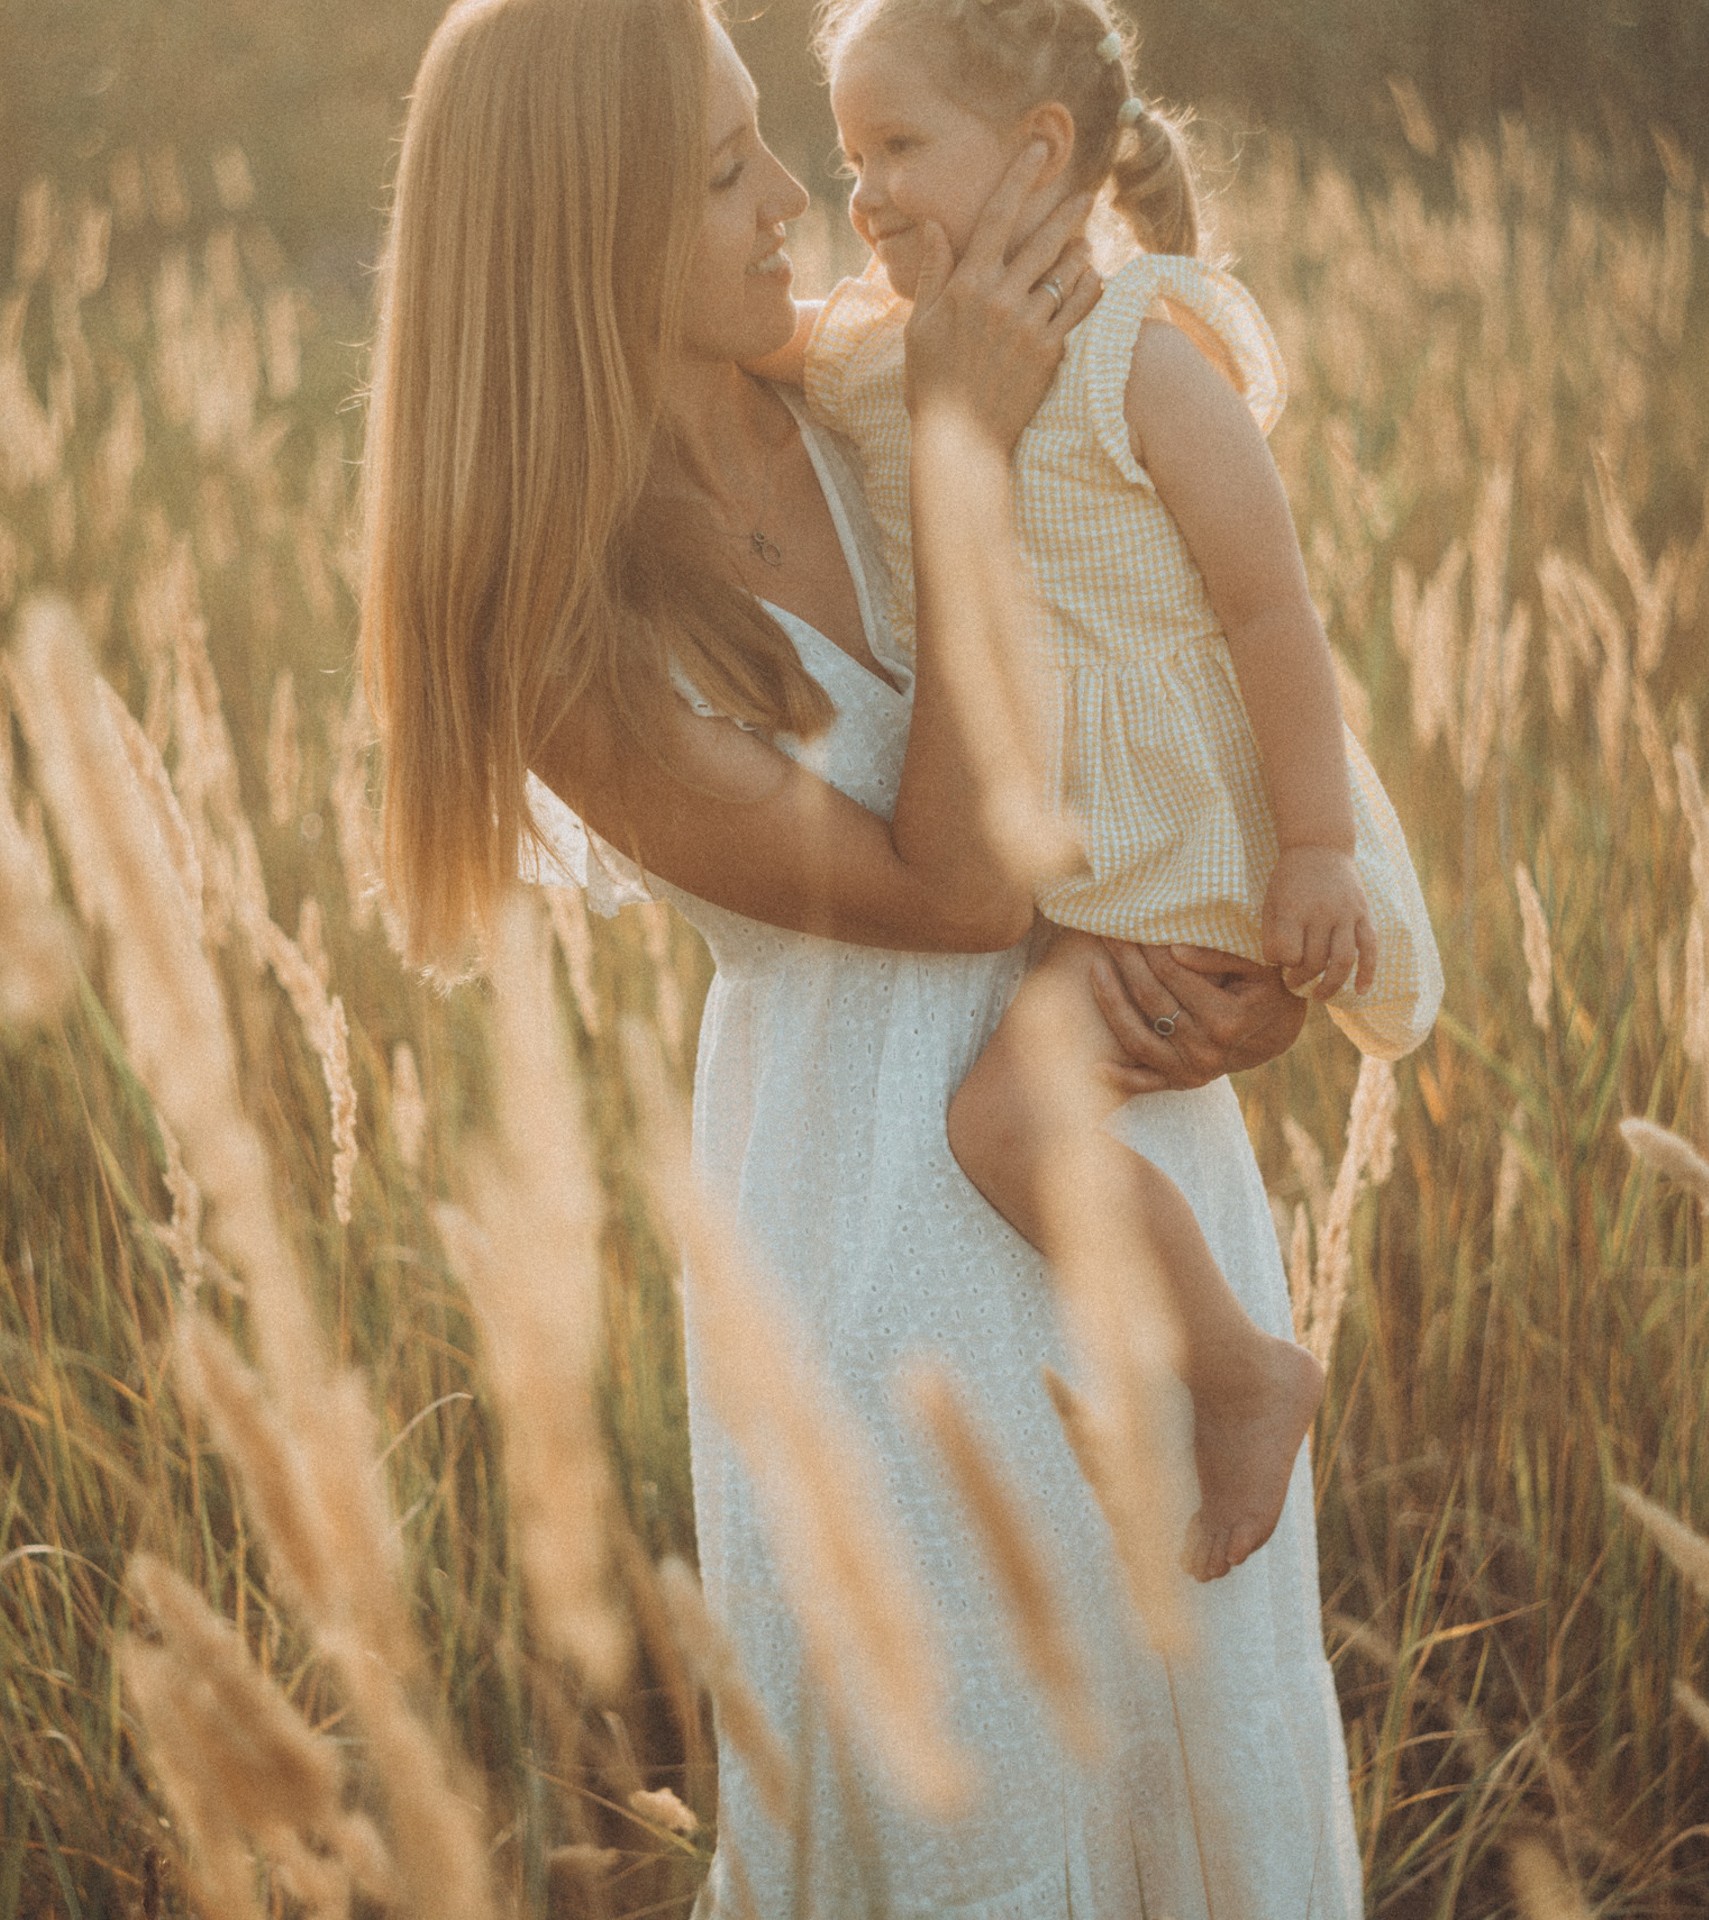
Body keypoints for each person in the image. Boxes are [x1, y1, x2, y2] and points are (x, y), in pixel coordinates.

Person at [361, 0, 1364, 1912]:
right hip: (875, 1250)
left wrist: (1253, 951)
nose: (793, 205)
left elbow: (1192, 664)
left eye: (773, 142)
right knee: (959, 1799)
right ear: (585, 234)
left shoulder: (873, 378)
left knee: (1196, 1763)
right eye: (727, 170)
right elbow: (966, 885)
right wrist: (966, 460)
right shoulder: (568, 631)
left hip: (1127, 1166)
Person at [750, 0, 1443, 1585]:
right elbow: (763, 339)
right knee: (1010, 1115)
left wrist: (1319, 850)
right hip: (1084, 863)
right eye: (849, 156)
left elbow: (1273, 611)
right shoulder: (883, 343)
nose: (860, 193)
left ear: (1042, 150)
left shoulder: (1143, 352)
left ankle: (1240, 1366)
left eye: (900, 148)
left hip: (1194, 852)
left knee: (1002, 1118)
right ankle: (1225, 1367)